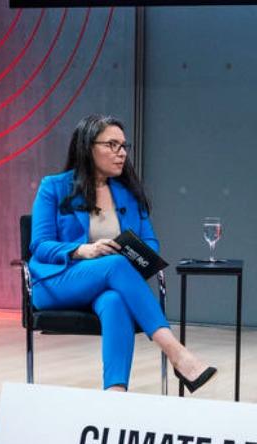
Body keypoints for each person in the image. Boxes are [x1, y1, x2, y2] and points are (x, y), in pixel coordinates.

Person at [29, 114, 216, 393]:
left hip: (107, 284)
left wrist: (132, 252)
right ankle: (176, 353)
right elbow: (39, 245)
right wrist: (83, 250)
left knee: (115, 300)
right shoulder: (53, 187)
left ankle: (115, 395)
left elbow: (150, 243)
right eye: (112, 145)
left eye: (124, 146)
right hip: (57, 281)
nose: (122, 153)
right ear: (88, 147)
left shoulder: (128, 194)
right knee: (115, 264)